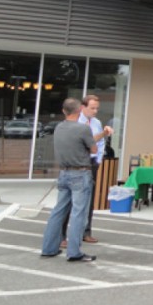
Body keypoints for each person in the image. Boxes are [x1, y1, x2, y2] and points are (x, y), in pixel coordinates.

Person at [40, 98, 98, 262]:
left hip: (64, 173)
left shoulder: (59, 127)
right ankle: (74, 252)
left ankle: (49, 248)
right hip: (80, 173)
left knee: (58, 212)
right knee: (79, 214)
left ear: (64, 111)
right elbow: (93, 148)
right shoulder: (83, 129)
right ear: (80, 110)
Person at [59, 94, 113, 247]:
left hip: (92, 162)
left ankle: (86, 231)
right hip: (77, 162)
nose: (95, 111)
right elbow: (89, 141)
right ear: (83, 107)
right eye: (92, 108)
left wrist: (99, 159)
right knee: (70, 200)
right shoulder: (76, 122)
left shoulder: (96, 122)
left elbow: (100, 143)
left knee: (88, 199)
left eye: (97, 108)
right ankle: (62, 235)